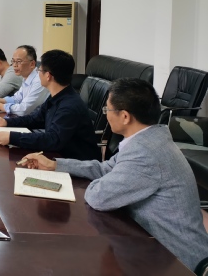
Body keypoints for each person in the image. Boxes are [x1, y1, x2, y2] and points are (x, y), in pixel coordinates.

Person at [22, 78, 208, 271]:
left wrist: (100, 183)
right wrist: (56, 164)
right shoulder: (150, 138)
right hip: (152, 245)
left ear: (125, 116)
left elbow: (99, 197)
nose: (106, 114)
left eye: (107, 110)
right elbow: (106, 168)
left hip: (178, 259)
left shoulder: (145, 153)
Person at [0, 49, 101, 161]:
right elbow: (35, 118)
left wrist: (12, 137)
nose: (38, 74)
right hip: (59, 156)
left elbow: (52, 140)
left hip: (77, 164)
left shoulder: (69, 106)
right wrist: (6, 122)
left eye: (40, 70)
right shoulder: (56, 96)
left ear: (48, 76)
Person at [0, 45, 49, 116]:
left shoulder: (39, 81)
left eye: (19, 61)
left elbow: (23, 110)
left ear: (32, 64)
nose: (14, 65)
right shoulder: (26, 77)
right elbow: (16, 99)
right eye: (13, 61)